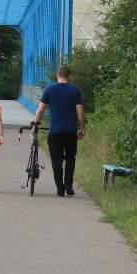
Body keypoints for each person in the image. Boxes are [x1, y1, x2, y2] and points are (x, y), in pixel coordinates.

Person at [30, 65, 85, 196]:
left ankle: (60, 188)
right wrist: (82, 127)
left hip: (55, 131)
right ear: (69, 76)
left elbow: (40, 110)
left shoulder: (49, 89)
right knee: (71, 159)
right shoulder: (75, 90)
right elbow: (80, 111)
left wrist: (35, 126)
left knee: (56, 160)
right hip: (71, 131)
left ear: (57, 76)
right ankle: (69, 186)